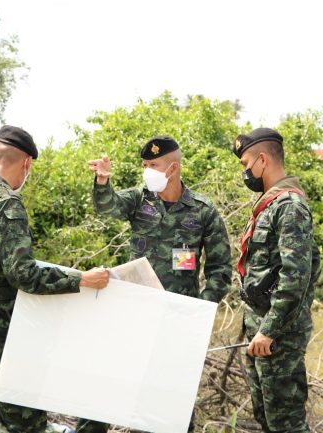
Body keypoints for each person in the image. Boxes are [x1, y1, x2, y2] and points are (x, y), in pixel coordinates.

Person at [0, 125, 110, 433]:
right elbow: (23, 274)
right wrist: (80, 279)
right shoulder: (5, 204)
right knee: (26, 426)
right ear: (26, 163)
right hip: (3, 340)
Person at [81, 135, 232, 433]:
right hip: (134, 316)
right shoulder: (139, 200)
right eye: (145, 164)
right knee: (104, 390)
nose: (147, 170)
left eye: (153, 165)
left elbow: (220, 270)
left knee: (173, 404)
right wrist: (102, 181)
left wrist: (198, 310)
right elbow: (107, 207)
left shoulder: (202, 211)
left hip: (177, 320)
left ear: (172, 168)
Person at [232, 127, 320, 433]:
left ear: (262, 159)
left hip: (278, 335)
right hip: (260, 330)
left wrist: (269, 330)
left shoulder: (290, 207)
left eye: (246, 164)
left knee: (286, 423)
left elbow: (296, 277)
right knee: (266, 417)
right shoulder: (269, 204)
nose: (245, 172)